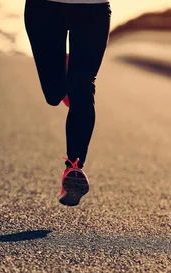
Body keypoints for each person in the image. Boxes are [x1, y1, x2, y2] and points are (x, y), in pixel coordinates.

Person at [25, 0, 111, 206]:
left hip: (93, 8)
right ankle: (65, 67)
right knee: (54, 94)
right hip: (45, 7)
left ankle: (74, 166)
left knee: (83, 86)